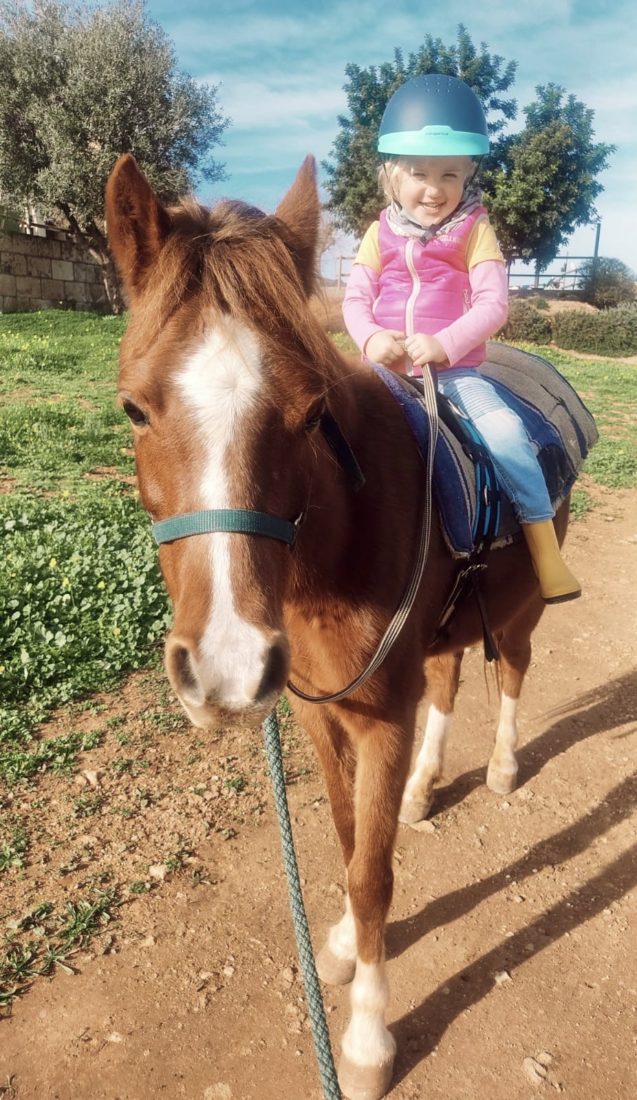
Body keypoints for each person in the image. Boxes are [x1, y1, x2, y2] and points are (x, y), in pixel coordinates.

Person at [343, 73, 581, 603]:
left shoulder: (474, 230)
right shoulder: (378, 232)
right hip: (381, 367)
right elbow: (355, 299)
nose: (434, 188)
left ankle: (544, 549)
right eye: (419, 173)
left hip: (452, 372)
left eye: (450, 174)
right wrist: (370, 338)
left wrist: (444, 344)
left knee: (505, 434)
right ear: (392, 174)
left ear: (469, 172)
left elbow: (494, 304)